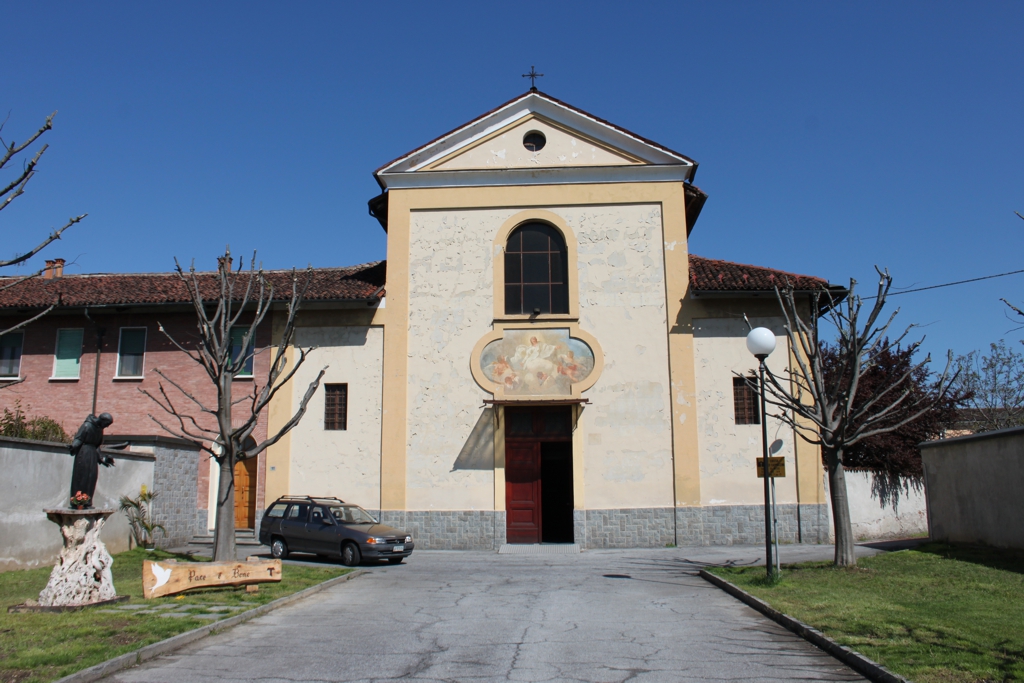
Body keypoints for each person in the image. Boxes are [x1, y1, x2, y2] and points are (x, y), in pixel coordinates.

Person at [68, 413, 115, 508]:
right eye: (107, 423)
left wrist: (102, 459)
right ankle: (77, 502)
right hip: (84, 454)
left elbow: (97, 446)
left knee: (91, 477)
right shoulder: (87, 425)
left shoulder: (99, 429)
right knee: (81, 477)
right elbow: (79, 439)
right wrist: (73, 446)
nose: (108, 426)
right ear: (102, 420)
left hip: (93, 455)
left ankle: (87, 502)